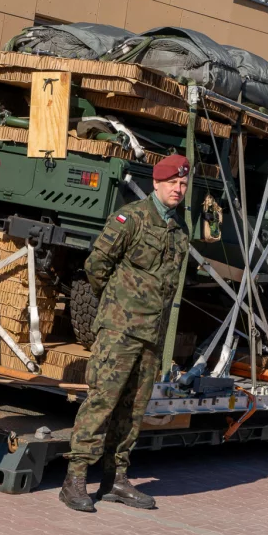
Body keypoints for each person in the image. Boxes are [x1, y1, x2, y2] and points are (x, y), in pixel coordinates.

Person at [59, 154, 191, 512]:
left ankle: (115, 479)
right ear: (157, 184)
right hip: (120, 330)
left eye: (183, 184)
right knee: (102, 401)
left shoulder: (179, 232)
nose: (178, 189)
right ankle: (74, 479)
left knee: (134, 410)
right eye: (172, 183)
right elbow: (96, 265)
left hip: (151, 334)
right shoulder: (131, 218)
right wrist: (116, 303)